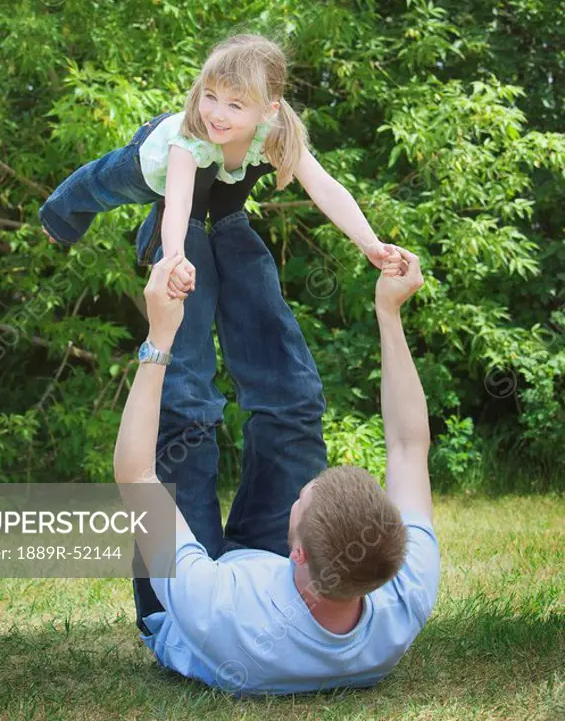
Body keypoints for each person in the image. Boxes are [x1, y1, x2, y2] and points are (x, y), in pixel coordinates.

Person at [115, 204, 441, 697]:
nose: (300, 489)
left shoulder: (218, 610)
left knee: (187, 428)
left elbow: (135, 475)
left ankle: (178, 241)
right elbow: (409, 445)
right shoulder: (404, 589)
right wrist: (389, 313)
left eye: (301, 499)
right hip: (266, 578)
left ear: (298, 551)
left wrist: (159, 336)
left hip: (189, 608)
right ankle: (226, 218)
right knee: (295, 413)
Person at [38, 33, 404, 295]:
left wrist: (369, 244)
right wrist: (176, 258)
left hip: (199, 177)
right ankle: (58, 215)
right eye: (210, 96)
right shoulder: (193, 135)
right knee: (102, 186)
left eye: (235, 104)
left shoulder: (277, 134)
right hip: (150, 163)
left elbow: (324, 187)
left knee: (183, 210)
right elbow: (178, 200)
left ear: (268, 110)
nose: (217, 113)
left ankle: (153, 238)